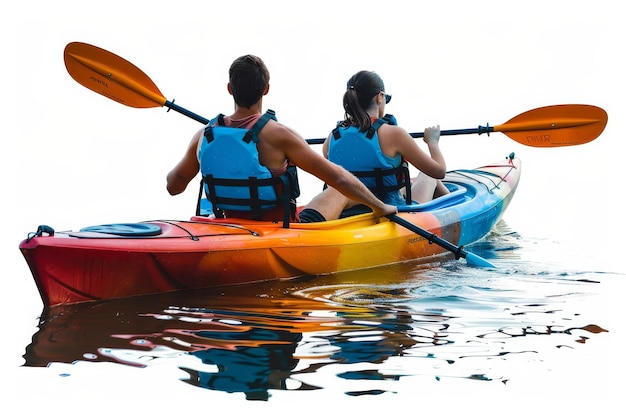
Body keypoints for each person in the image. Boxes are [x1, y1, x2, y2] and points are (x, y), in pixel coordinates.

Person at [166, 55, 396, 223]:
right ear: (266, 89)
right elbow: (338, 177)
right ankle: (381, 205)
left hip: (229, 223)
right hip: (280, 229)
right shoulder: (280, 135)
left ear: (230, 89)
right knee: (338, 190)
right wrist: (380, 206)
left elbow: (173, 187)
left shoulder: (203, 136)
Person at [312, 70, 449, 219]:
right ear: (379, 97)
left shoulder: (332, 138)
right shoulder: (395, 134)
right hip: (392, 213)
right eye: (386, 98)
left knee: (404, 182)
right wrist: (433, 142)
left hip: (346, 214)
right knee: (428, 176)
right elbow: (439, 171)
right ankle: (457, 209)